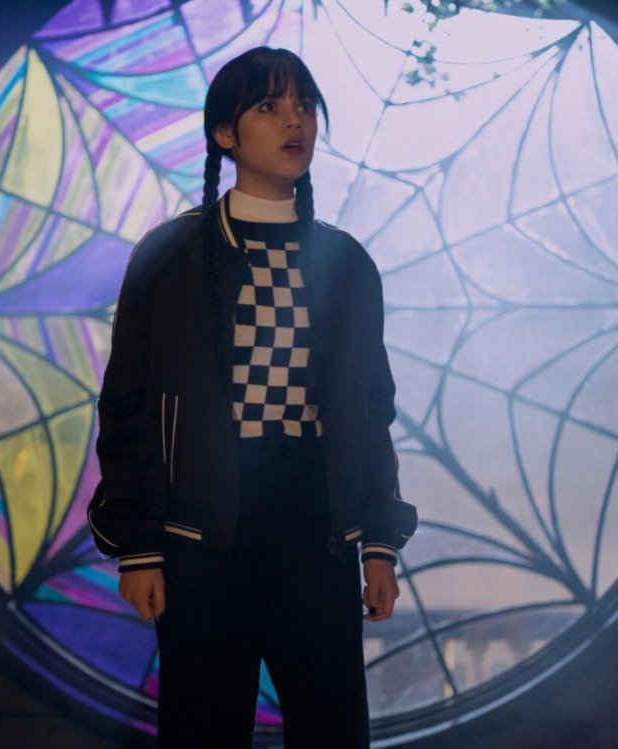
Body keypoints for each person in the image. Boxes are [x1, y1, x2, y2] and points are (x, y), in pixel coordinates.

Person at [88, 46, 416, 749]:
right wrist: (138, 546)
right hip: (201, 541)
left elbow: (370, 411)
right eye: (269, 106)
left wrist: (379, 544)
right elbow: (128, 406)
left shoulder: (347, 264)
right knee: (201, 733)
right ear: (224, 133)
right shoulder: (170, 256)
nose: (294, 120)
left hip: (318, 539)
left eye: (304, 104)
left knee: (332, 733)